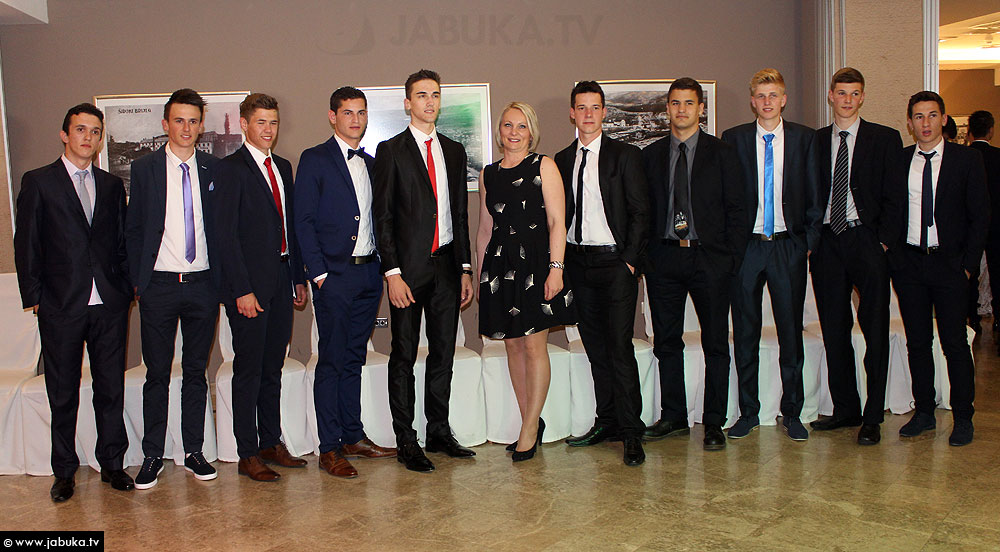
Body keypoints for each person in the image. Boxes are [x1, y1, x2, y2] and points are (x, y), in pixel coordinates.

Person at [14, 103, 134, 501]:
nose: (88, 137)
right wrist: (35, 297)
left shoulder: (111, 186)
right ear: (65, 135)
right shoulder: (39, 182)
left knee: (110, 388)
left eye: (95, 131)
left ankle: (112, 464)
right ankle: (64, 472)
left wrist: (125, 288)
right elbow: (26, 244)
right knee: (63, 392)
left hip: (109, 304)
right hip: (60, 305)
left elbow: (121, 243)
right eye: (81, 130)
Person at [373, 69, 476, 473]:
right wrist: (392, 273)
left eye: (434, 95)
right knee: (403, 355)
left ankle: (438, 431)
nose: (429, 102)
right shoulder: (391, 150)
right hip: (408, 273)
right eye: (421, 95)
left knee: (443, 353)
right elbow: (382, 217)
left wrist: (465, 268)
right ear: (408, 103)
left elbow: (459, 215)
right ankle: (406, 440)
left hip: (447, 268)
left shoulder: (453, 151)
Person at [294, 86, 397, 479]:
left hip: (369, 275)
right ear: (332, 116)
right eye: (348, 112)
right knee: (332, 361)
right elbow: (303, 220)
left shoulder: (371, 163)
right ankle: (329, 447)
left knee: (355, 357)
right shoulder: (315, 159)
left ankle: (353, 435)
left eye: (361, 112)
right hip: (333, 277)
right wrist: (319, 274)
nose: (356, 119)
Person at [643, 78, 747, 451]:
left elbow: (739, 209)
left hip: (710, 259)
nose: (682, 109)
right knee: (666, 342)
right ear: (667, 108)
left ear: (701, 108)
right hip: (664, 258)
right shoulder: (651, 155)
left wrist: (729, 259)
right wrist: (647, 257)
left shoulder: (723, 153)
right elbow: (643, 210)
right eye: (675, 103)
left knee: (715, 343)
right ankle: (673, 416)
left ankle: (714, 421)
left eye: (689, 103)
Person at [721, 68, 822, 443]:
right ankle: (748, 412)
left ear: (784, 99)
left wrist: (807, 241)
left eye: (773, 95)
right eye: (761, 96)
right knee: (745, 333)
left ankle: (792, 412)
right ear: (752, 101)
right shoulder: (733, 139)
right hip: (747, 248)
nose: (767, 102)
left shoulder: (804, 139)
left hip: (786, 246)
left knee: (790, 334)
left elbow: (816, 193)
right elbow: (726, 196)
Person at [126, 89, 219, 489]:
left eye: (193, 120)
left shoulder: (214, 169)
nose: (186, 128)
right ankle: (152, 455)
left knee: (196, 372)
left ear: (201, 125)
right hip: (159, 286)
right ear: (166, 124)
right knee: (157, 374)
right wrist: (138, 282)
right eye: (179, 120)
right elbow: (133, 229)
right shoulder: (144, 168)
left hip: (203, 285)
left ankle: (194, 451)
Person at [214, 93, 308, 481]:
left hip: (282, 281)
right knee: (248, 371)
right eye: (261, 122)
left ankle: (271, 441)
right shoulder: (230, 169)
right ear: (244, 124)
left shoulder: (282, 167)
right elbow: (225, 237)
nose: (268, 130)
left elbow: (290, 227)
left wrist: (298, 277)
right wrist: (241, 290)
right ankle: (247, 453)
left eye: (273, 122)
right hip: (249, 289)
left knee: (273, 369)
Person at [807, 67, 903, 446]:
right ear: (831, 96)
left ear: (862, 97)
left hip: (866, 240)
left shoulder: (885, 138)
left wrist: (883, 242)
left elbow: (896, 197)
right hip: (828, 243)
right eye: (841, 93)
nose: (847, 100)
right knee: (834, 330)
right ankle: (846, 408)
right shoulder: (815, 141)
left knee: (875, 330)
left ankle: (872, 416)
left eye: (854, 93)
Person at [554, 81, 648, 466]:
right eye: (582, 107)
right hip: (579, 265)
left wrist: (629, 262)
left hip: (615, 265)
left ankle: (631, 431)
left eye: (595, 107)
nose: (588, 114)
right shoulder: (562, 160)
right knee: (595, 349)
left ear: (604, 112)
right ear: (572, 113)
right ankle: (606, 421)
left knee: (619, 348)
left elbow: (641, 211)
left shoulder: (625, 156)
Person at [889, 91, 988, 447]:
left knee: (954, 343)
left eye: (932, 115)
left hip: (950, 266)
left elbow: (980, 216)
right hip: (910, 265)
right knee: (917, 342)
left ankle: (963, 416)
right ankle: (924, 412)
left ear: (944, 119)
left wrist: (968, 267)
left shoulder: (967, 159)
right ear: (910, 122)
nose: (925, 123)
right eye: (918, 116)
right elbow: (891, 212)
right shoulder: (900, 161)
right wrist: (895, 260)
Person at [476, 102, 573, 462]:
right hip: (500, 267)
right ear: (499, 131)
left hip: (537, 264)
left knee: (534, 347)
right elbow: (485, 228)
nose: (514, 132)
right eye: (507, 125)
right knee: (513, 346)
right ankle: (528, 422)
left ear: (531, 132)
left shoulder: (544, 166)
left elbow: (557, 223)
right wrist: (480, 274)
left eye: (521, 126)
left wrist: (556, 268)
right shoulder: (488, 175)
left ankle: (530, 429)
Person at [967, 110, 1000, 343]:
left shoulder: (963, 157)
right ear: (991, 131)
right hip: (997, 225)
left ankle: (972, 317)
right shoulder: (998, 157)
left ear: (969, 132)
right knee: (997, 273)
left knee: (970, 272)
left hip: (970, 225)